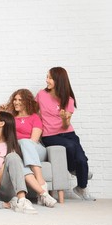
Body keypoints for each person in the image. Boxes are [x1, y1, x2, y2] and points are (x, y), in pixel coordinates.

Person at [36, 67, 95, 201]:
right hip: (49, 135)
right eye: (47, 77)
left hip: (68, 133)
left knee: (82, 159)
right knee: (70, 146)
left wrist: (64, 119)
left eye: (50, 78)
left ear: (59, 80)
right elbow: (32, 110)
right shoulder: (41, 95)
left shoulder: (68, 99)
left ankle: (81, 187)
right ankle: (74, 169)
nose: (47, 80)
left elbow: (66, 126)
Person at [4, 89, 57, 207]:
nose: (16, 102)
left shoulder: (34, 117)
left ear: (27, 102)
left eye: (19, 100)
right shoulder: (11, 118)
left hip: (35, 149)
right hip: (19, 152)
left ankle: (40, 180)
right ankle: (43, 193)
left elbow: (33, 141)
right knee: (18, 163)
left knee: (25, 142)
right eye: (15, 100)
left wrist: (21, 144)